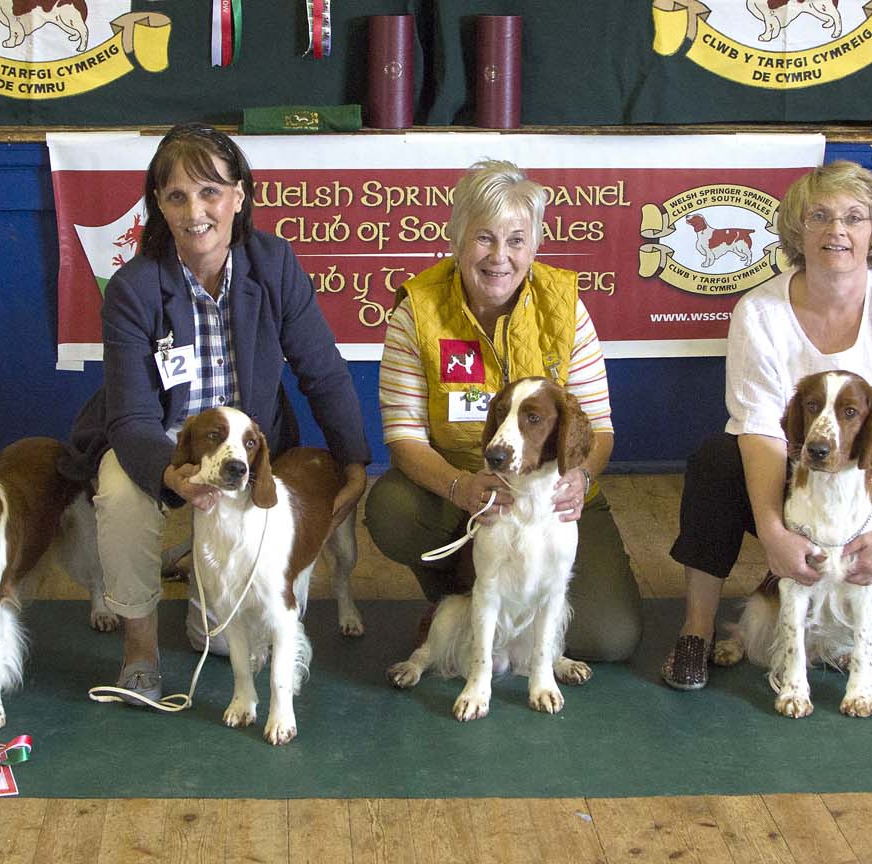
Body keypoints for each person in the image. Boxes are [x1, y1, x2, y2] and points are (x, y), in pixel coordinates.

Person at [660, 160, 872, 691]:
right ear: (797, 230)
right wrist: (774, 533)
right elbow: (760, 431)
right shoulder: (759, 311)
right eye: (819, 216)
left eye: (853, 218)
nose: (836, 230)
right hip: (802, 479)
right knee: (716, 460)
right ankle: (696, 630)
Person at [62, 123, 370, 704]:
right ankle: (140, 648)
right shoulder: (133, 287)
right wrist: (171, 475)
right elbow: (130, 419)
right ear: (158, 204)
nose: (195, 212)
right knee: (122, 494)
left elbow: (323, 372)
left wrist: (354, 463)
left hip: (241, 448)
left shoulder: (273, 263)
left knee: (225, 643)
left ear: (239, 196)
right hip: (156, 441)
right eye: (177, 196)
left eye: (210, 192)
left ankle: (195, 566)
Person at [365, 159, 644, 662]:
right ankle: (460, 603)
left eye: (516, 240)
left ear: (534, 246)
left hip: (551, 499)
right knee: (392, 510)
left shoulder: (566, 307)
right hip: (463, 490)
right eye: (483, 238)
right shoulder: (416, 311)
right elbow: (404, 439)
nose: (500, 256)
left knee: (609, 638)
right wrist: (461, 486)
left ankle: (497, 607)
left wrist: (579, 478)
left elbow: (600, 428)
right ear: (457, 239)